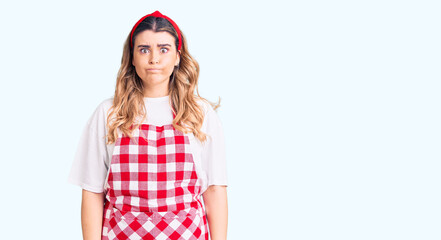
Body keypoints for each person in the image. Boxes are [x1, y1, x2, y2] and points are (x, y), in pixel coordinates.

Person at [67, 10, 228, 240]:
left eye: (164, 49)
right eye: (144, 49)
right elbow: (92, 192)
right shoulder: (109, 113)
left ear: (178, 57)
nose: (154, 58)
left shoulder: (200, 114)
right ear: (132, 57)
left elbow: (214, 189)